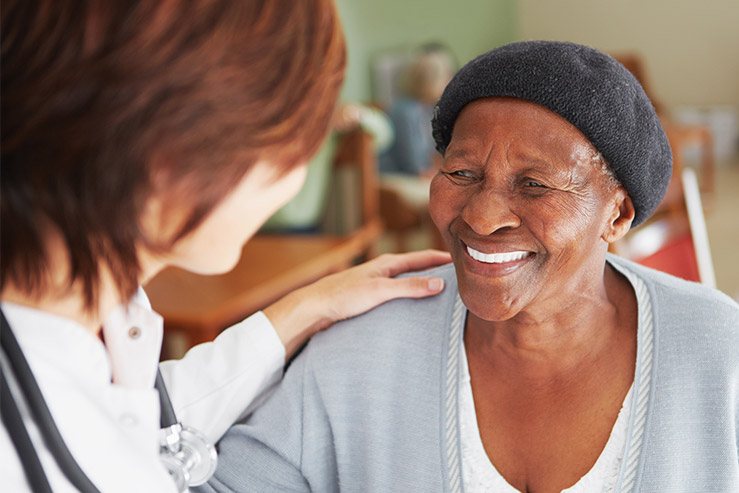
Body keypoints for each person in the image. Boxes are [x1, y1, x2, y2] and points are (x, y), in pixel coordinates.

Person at [200, 41, 739, 492]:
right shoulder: (360, 345)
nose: (480, 217)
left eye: (534, 185)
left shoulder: (719, 354)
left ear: (617, 214)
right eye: (461, 173)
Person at [0, 1, 452, 491]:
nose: (295, 182)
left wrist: (310, 306)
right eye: (295, 146)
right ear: (174, 155)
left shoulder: (94, 313)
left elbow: (124, 424)